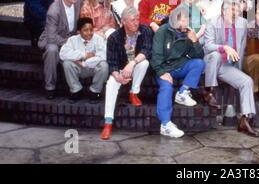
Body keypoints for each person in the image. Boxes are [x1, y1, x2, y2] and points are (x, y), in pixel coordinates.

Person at [203, 0, 259, 137]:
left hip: (228, 66)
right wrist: (224, 48)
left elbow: (248, 43)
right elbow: (207, 46)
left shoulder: (243, 22)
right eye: (232, 10)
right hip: (212, 62)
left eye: (238, 10)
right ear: (223, 10)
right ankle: (209, 91)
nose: (235, 13)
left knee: (247, 82)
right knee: (215, 55)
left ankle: (245, 119)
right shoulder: (212, 22)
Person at [151, 7, 206, 138]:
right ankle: (165, 124)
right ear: (175, 20)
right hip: (163, 68)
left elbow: (198, 56)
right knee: (166, 87)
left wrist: (194, 41)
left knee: (199, 64)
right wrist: (162, 72)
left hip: (179, 66)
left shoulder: (188, 33)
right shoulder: (163, 31)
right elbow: (156, 55)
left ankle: (182, 93)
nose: (186, 22)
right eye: (183, 19)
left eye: (187, 19)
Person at [100, 7, 152, 140]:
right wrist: (117, 76)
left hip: (135, 64)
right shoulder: (114, 37)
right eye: (132, 20)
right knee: (111, 83)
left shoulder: (144, 30)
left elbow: (147, 51)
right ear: (123, 22)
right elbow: (111, 62)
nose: (136, 23)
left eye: (137, 19)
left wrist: (132, 63)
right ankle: (108, 122)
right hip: (120, 70)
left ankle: (133, 92)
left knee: (144, 62)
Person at [38, 0, 82, 99]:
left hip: (71, 38)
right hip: (53, 38)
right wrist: (70, 44)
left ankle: (76, 86)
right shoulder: (54, 10)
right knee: (52, 50)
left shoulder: (79, 1)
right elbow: (52, 37)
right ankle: (50, 87)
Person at [59, 17, 108, 103]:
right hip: (78, 68)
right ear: (79, 31)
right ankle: (76, 90)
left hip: (93, 68)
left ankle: (95, 91)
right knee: (66, 63)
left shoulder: (98, 39)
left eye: (91, 30)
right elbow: (62, 54)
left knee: (104, 65)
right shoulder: (72, 40)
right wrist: (83, 55)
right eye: (85, 30)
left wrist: (85, 63)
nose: (89, 33)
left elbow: (103, 55)